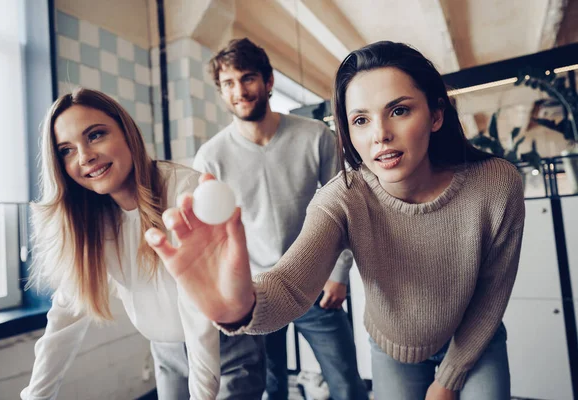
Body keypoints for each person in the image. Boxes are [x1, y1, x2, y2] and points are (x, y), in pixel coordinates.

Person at [145, 41, 525, 400]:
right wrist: (240, 307)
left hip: (476, 340)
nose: (380, 135)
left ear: (436, 114)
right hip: (391, 344)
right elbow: (290, 285)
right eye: (360, 119)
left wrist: (448, 381)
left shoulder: (495, 185)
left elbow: (492, 293)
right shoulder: (343, 196)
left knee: (345, 381)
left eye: (399, 110)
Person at [20, 88, 256, 400]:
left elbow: (198, 314)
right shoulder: (89, 219)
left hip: (224, 345)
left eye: (96, 135)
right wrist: (36, 395)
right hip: (166, 352)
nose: (84, 156)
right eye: (66, 150)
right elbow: (65, 315)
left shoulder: (184, 192)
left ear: (127, 132)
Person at [192, 38, 367, 400]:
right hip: (255, 291)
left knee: (346, 383)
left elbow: (348, 207)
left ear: (268, 81)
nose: (239, 90)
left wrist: (339, 275)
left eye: (248, 78)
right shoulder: (211, 157)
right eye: (228, 83)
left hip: (315, 284)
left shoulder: (315, 136)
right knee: (272, 389)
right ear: (221, 92)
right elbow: (212, 236)